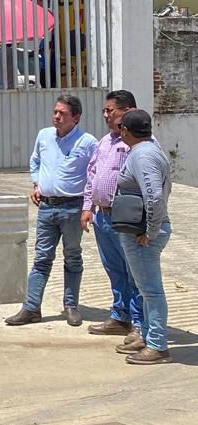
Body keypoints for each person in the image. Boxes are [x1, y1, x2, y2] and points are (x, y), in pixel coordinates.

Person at [6, 94, 97, 327]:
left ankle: (71, 306)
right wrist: (36, 183)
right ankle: (31, 308)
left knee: (73, 257)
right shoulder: (44, 136)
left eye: (62, 113)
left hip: (73, 208)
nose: (56, 116)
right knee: (42, 258)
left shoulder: (88, 143)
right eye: (55, 112)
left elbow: (95, 175)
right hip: (46, 207)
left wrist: (89, 207)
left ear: (75, 118)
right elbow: (35, 161)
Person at [81, 90, 144, 339]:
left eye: (110, 110)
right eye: (105, 111)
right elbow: (92, 174)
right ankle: (120, 316)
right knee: (115, 269)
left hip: (126, 219)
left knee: (135, 272)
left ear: (127, 111)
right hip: (103, 217)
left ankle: (140, 324)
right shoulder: (105, 141)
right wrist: (88, 207)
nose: (105, 115)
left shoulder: (138, 144)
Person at [115, 110, 173, 365]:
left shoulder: (143, 155)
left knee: (150, 290)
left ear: (126, 131)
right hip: (142, 232)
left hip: (143, 235)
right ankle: (149, 337)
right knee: (145, 288)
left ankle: (158, 345)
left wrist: (150, 231)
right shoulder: (147, 150)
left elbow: (154, 197)